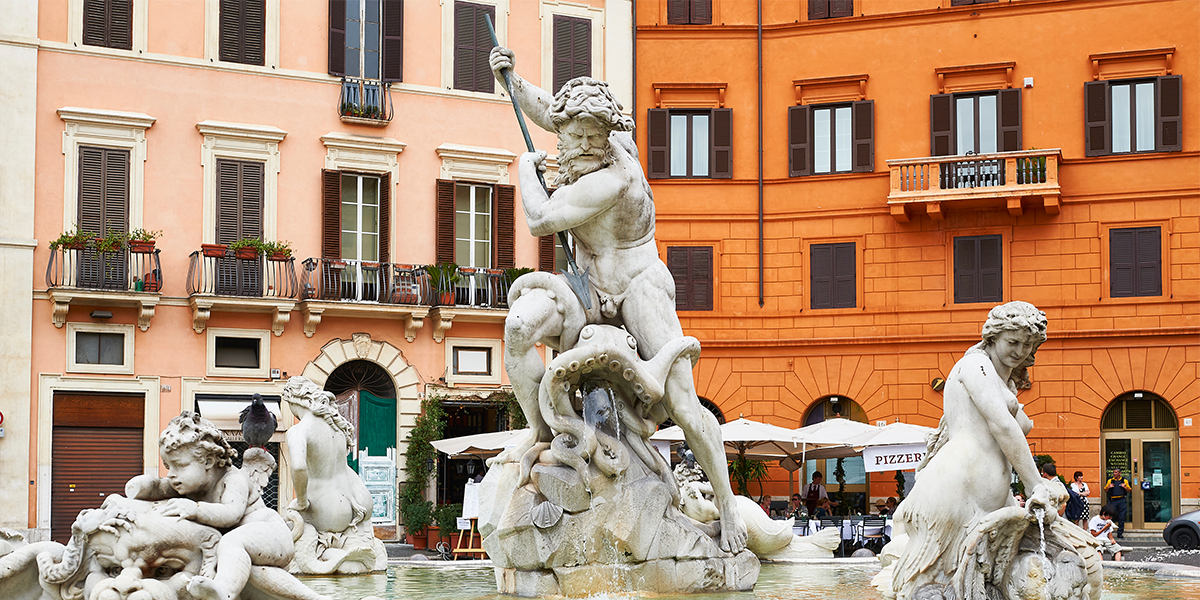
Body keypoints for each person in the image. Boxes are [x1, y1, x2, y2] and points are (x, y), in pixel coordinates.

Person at [487, 45, 747, 554]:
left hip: (638, 283)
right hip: (584, 286)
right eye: (575, 136)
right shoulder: (575, 137)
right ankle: (544, 432)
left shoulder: (615, 175)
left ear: (609, 135)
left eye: (594, 136)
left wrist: (523, 169)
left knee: (683, 403)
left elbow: (540, 219)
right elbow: (549, 109)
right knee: (518, 329)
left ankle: (728, 504)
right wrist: (511, 81)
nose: (584, 145)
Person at [888, 302, 1066, 599]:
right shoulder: (974, 366)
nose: (1020, 351)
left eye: (1027, 345)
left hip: (988, 496)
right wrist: (1035, 484)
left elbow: (1016, 426)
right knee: (934, 585)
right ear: (993, 337)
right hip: (957, 490)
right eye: (1013, 342)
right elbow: (1003, 426)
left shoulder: (1004, 382)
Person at [125, 412, 295, 600]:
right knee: (236, 556)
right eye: (167, 466)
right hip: (245, 550)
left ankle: (223, 591)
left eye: (179, 465)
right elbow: (162, 487)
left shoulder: (234, 479)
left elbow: (231, 514)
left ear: (208, 461)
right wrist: (143, 487)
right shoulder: (190, 485)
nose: (172, 474)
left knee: (232, 541)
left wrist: (195, 510)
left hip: (272, 535)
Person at [1104, 468, 1131, 538]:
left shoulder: (1124, 480)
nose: (1114, 474)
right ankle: (1109, 532)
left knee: (1121, 516)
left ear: (1119, 473)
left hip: (1122, 500)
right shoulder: (1110, 480)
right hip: (1113, 500)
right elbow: (1105, 490)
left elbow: (1129, 490)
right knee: (1110, 516)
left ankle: (1120, 533)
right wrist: (1108, 487)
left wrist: (1125, 487)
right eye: (1113, 472)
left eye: (1115, 472)